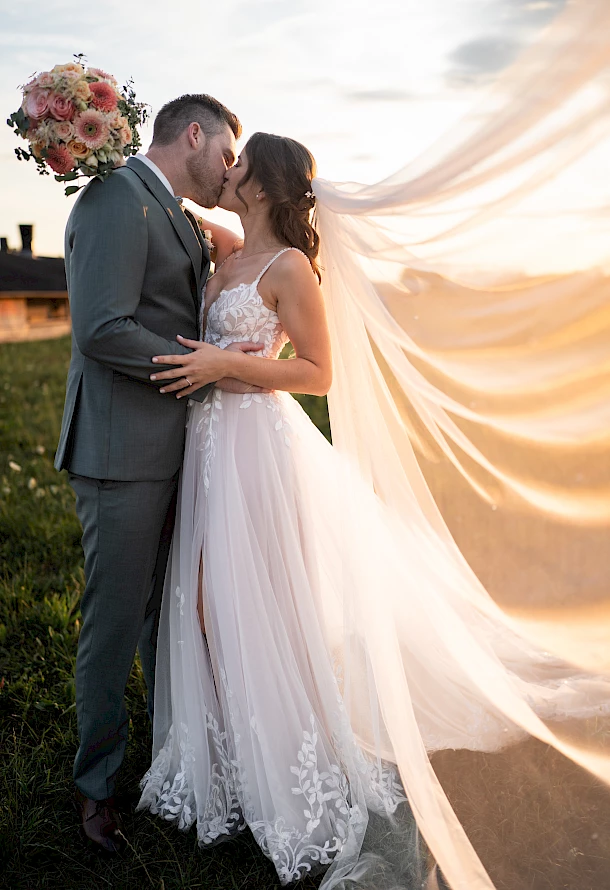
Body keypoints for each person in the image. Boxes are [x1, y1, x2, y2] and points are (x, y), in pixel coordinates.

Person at [137, 131, 610, 890]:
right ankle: (225, 748)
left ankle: (288, 748)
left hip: (259, 449)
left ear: (261, 183)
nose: (227, 172)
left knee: (256, 602)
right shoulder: (224, 250)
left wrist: (227, 363)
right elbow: (174, 208)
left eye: (239, 164)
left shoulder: (291, 268)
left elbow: (319, 373)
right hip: (209, 450)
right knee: (203, 603)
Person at [54, 93, 263, 853]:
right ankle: (94, 787)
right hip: (119, 454)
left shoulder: (166, 206)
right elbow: (102, 326)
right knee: (115, 623)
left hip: (175, 449)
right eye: (228, 155)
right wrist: (204, 368)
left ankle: (174, 761)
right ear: (196, 135)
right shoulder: (116, 197)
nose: (231, 171)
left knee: (165, 617)